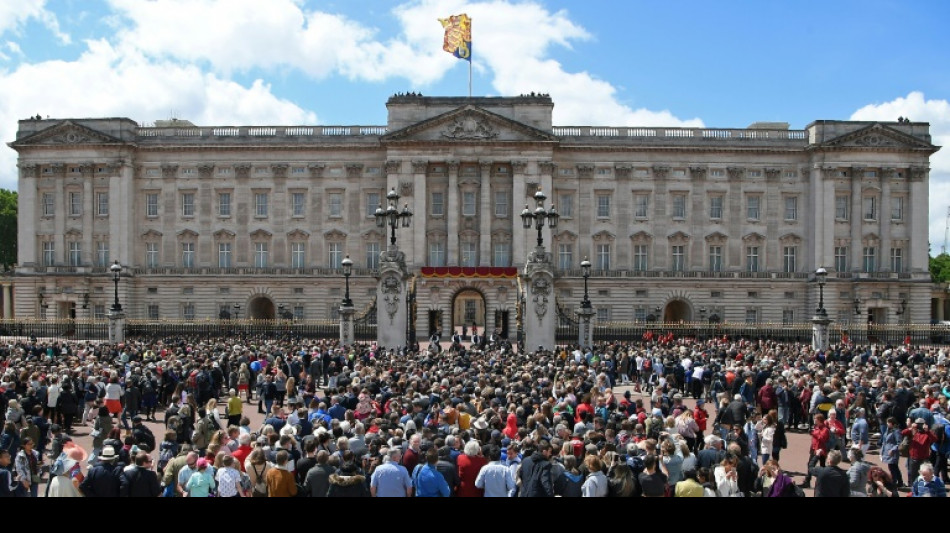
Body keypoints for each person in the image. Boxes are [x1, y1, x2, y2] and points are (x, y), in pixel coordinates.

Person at [902, 418, 937, 483]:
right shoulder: (913, 431)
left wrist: (927, 431)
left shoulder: (927, 433)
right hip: (913, 457)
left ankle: (924, 486)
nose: (919, 426)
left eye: (921, 424)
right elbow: (903, 432)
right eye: (918, 424)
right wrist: (911, 428)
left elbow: (934, 439)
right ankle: (913, 486)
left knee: (924, 475)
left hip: (924, 458)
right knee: (912, 475)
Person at [879, 416, 904, 487]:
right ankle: (899, 482)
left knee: (893, 468)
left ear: (892, 423)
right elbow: (884, 441)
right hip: (887, 451)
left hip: (893, 453)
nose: (887, 424)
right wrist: (881, 451)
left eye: (888, 422)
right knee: (894, 467)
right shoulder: (888, 430)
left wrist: (893, 449)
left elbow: (899, 443)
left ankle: (894, 482)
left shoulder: (896, 431)